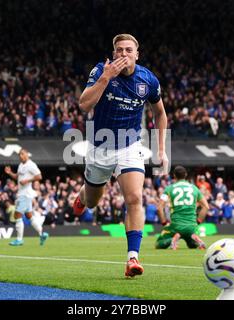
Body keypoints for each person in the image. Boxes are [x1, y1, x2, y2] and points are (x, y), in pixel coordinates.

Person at [72, 34, 168, 278]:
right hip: (100, 147)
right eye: (119, 50)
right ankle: (83, 196)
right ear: (114, 54)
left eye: (128, 50)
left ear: (137, 54)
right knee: (93, 201)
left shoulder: (148, 80)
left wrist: (161, 150)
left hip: (130, 145)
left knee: (135, 197)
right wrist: (106, 77)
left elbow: (160, 114)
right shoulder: (100, 71)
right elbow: (84, 105)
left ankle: (132, 258)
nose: (123, 54)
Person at [156, 166, 209, 250]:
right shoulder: (194, 188)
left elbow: (159, 208)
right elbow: (206, 207)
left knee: (159, 243)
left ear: (174, 175)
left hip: (176, 225)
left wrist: (164, 223)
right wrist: (197, 222)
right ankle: (193, 238)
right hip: (191, 226)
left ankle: (173, 239)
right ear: (186, 175)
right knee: (192, 245)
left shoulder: (169, 189)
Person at [5, 149, 49, 246]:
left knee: (17, 215)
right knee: (29, 216)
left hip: (25, 194)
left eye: (22, 154)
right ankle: (42, 234)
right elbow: (17, 177)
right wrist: (10, 173)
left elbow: (39, 176)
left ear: (27, 155)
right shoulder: (21, 165)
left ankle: (19, 239)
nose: (20, 156)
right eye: (19, 154)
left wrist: (27, 181)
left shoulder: (31, 165)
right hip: (23, 194)